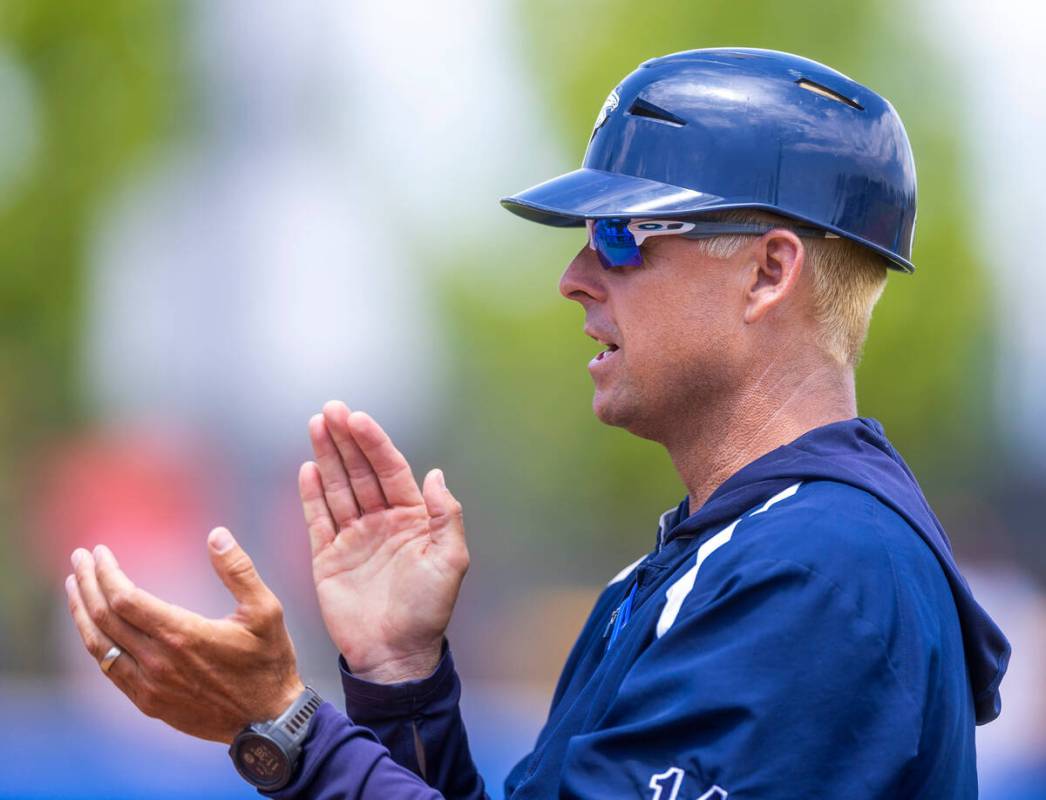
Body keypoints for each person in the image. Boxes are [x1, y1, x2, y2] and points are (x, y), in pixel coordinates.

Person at [65, 48, 1010, 799]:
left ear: (769, 272)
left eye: (621, 235)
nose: (575, 278)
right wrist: (399, 678)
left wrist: (283, 725)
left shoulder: (820, 570)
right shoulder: (728, 558)